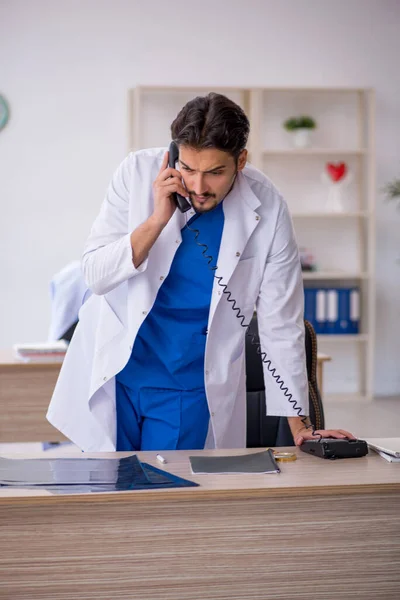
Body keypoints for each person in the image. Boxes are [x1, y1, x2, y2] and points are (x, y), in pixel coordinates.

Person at [47, 93, 354, 452]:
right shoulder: (135, 173)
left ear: (241, 161)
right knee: (109, 497)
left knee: (164, 500)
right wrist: (158, 219)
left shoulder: (267, 206)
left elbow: (281, 321)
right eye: (188, 169)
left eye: (215, 172)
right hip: (117, 375)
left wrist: (300, 426)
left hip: (187, 387)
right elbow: (96, 275)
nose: (197, 187)